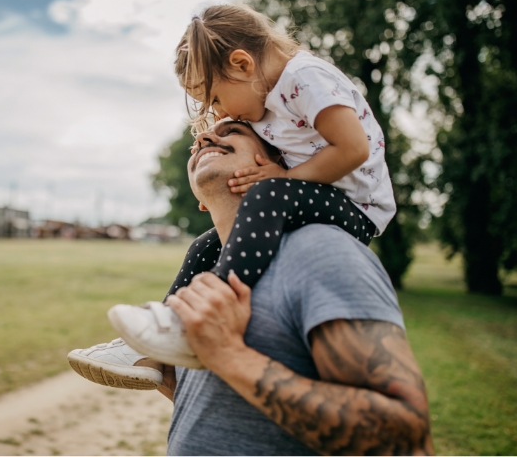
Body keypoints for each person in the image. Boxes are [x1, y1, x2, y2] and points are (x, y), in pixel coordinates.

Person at [73, 119, 433, 455]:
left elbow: (405, 439)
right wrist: (175, 379)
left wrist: (230, 356)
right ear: (199, 200)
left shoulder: (322, 252)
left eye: (233, 131)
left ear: (278, 161)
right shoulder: (205, 270)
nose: (205, 138)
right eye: (197, 142)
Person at [106, 3, 396, 368]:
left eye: (215, 98)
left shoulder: (305, 78)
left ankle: (212, 311)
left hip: (356, 207)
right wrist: (211, 142)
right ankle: (162, 335)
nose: (221, 113)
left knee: (269, 192)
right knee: (203, 245)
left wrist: (286, 179)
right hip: (312, 196)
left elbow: (353, 149)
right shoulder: (264, 97)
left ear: (243, 64)